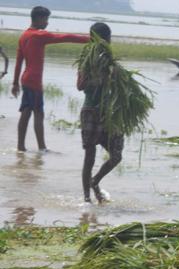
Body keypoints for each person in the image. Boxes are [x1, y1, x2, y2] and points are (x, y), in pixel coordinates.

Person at [11, 6, 89, 152]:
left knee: (26, 112)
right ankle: (42, 148)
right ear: (38, 18)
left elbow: (18, 62)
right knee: (38, 113)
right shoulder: (39, 35)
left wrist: (15, 83)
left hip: (25, 79)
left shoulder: (24, 36)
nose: (47, 22)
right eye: (46, 19)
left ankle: (20, 147)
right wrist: (90, 39)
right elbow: (65, 37)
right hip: (34, 80)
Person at [77, 22, 123, 205]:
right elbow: (80, 86)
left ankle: (95, 181)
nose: (107, 42)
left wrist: (115, 76)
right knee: (90, 156)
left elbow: (118, 86)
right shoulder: (86, 59)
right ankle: (87, 198)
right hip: (90, 111)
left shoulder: (110, 61)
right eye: (105, 38)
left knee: (116, 155)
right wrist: (96, 78)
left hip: (108, 112)